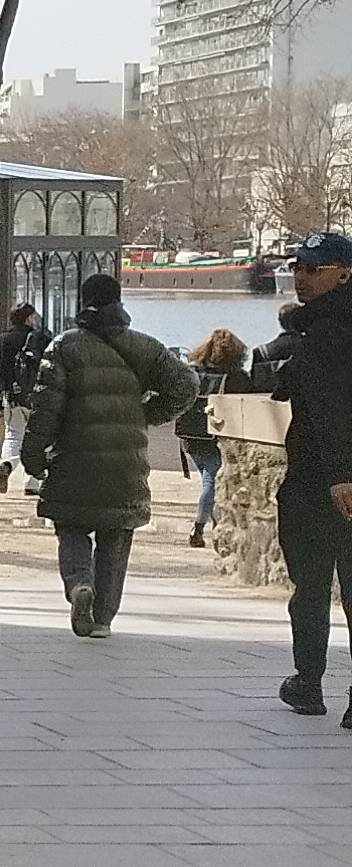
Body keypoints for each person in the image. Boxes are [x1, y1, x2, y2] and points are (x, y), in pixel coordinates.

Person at [18, 269, 192, 638]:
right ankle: (103, 618)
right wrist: (147, 415)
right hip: (125, 463)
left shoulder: (64, 347)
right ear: (119, 303)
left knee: (72, 527)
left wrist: (32, 457)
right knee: (116, 535)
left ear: (84, 302)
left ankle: (80, 583)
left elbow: (46, 410)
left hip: (73, 458)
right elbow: (186, 385)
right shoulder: (145, 347)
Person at [260, 229, 352, 720]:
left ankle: (309, 682)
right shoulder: (311, 330)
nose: (301, 277)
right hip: (323, 475)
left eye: (313, 269)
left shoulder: (324, 333)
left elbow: (330, 408)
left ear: (344, 274)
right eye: (297, 266)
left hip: (323, 479)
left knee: (312, 586)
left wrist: (342, 473)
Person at [178, 324, 248, 548]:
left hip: (190, 436)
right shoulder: (236, 378)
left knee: (211, 477)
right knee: (213, 478)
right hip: (217, 435)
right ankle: (199, 527)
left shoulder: (192, 373)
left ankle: (216, 526)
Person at [0, 302, 45, 488]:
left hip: (11, 397)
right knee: (37, 437)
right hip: (36, 397)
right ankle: (32, 482)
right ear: (29, 318)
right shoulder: (41, 339)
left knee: (13, 435)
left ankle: (7, 463)